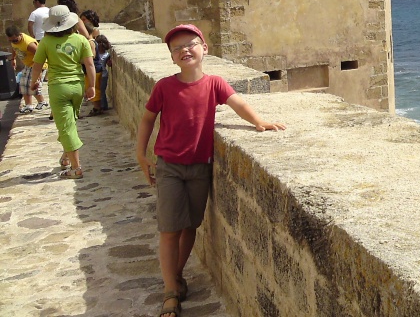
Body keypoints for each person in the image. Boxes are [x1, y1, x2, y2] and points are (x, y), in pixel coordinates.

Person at [135, 24, 285, 317]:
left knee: (190, 226)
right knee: (169, 230)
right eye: (177, 48)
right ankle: (170, 293)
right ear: (171, 57)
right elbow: (147, 120)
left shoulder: (214, 83)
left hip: (200, 167)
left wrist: (258, 121)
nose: (184, 50)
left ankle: (175, 276)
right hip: (169, 167)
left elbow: (237, 102)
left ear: (204, 48)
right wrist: (141, 155)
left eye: (190, 44)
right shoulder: (164, 86)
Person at [31, 5, 95, 179]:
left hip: (58, 87)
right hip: (77, 86)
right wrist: (92, 86)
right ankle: (67, 156)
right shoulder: (81, 40)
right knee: (69, 122)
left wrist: (34, 82)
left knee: (66, 126)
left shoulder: (46, 42)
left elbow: (37, 66)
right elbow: (89, 64)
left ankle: (76, 168)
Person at [5, 24, 49, 113]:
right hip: (28, 64)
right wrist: (13, 59)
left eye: (15, 40)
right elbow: (14, 47)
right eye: (11, 40)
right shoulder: (15, 41)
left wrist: (39, 72)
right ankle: (29, 105)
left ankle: (42, 102)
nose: (14, 42)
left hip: (37, 65)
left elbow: (41, 56)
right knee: (23, 84)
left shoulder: (29, 44)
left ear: (20, 35)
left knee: (32, 85)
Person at [91, 34, 111, 115]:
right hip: (104, 74)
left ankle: (101, 107)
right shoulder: (107, 55)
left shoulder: (95, 54)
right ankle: (104, 105)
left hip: (98, 74)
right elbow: (109, 64)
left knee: (99, 91)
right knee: (102, 91)